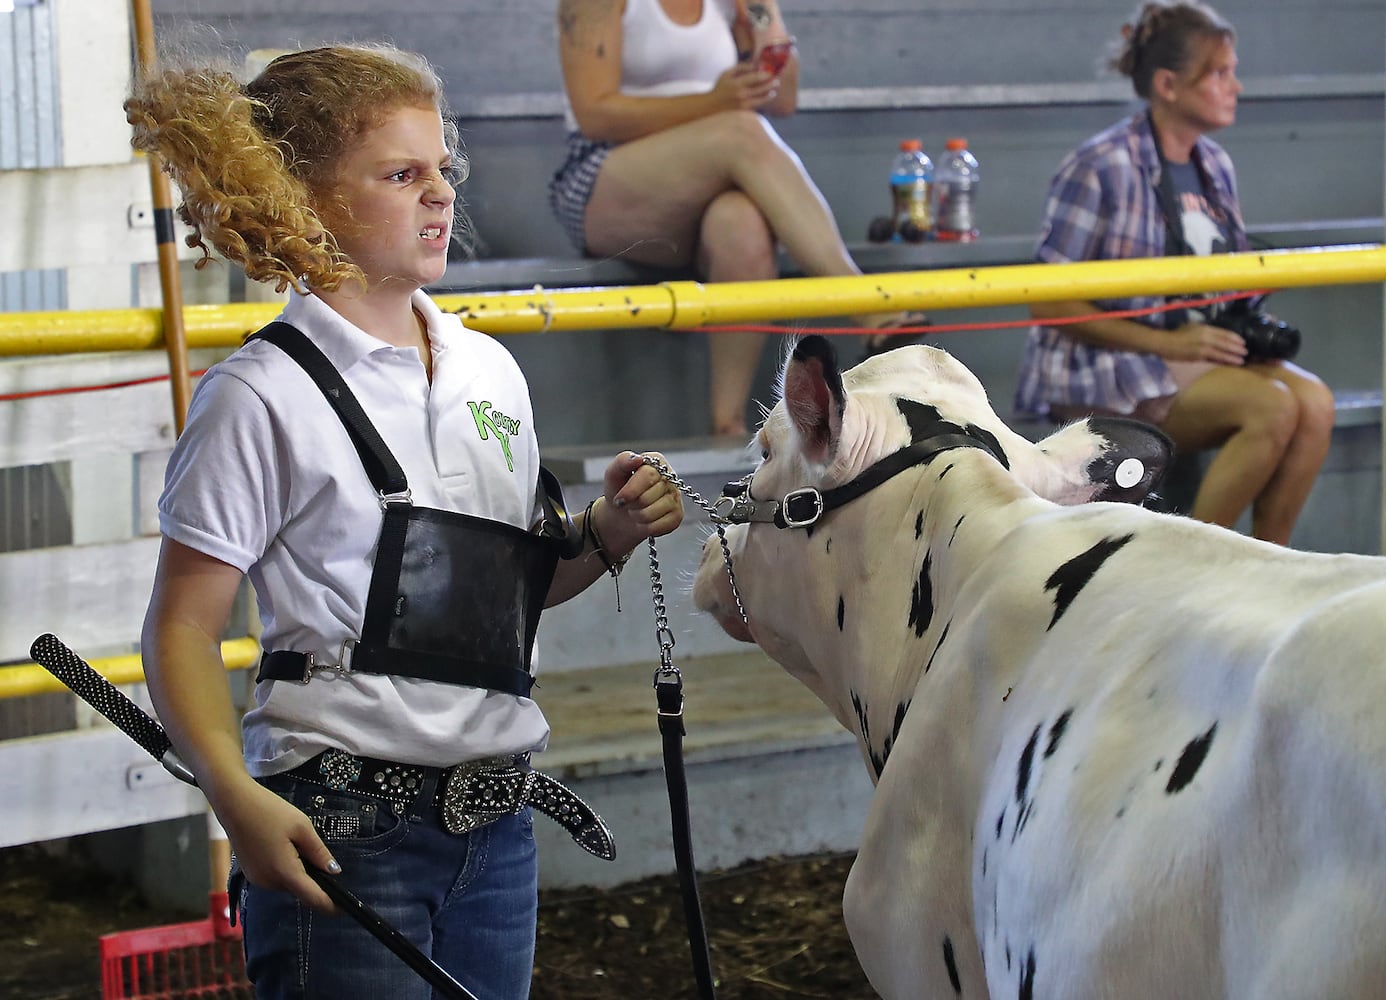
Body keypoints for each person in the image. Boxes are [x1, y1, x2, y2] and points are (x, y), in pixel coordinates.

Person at [128, 44, 683, 1000]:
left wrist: (605, 533)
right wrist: (234, 794)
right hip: (340, 823)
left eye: (442, 171)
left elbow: (503, 601)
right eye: (400, 174)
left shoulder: (487, 370)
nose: (439, 195)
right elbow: (180, 626)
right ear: (302, 196)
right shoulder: (257, 397)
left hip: (496, 823)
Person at [1013, 0, 1333, 546]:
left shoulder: (1215, 165)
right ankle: (1191, 561)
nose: (1236, 87)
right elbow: (1049, 305)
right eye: (1220, 74)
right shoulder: (1100, 164)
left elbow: (1209, 283)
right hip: (1110, 367)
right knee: (1272, 407)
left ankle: (1271, 564)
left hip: (1188, 354)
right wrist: (1178, 344)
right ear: (1168, 84)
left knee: (1316, 402)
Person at [551, 0, 924, 437]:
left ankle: (726, 425)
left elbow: (783, 98)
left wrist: (763, 11)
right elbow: (594, 112)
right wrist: (712, 103)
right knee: (742, 130)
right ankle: (869, 306)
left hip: (708, 185)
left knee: (743, 224)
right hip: (608, 176)